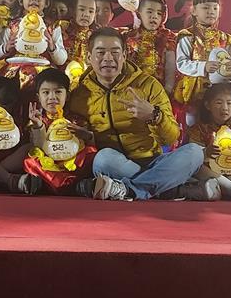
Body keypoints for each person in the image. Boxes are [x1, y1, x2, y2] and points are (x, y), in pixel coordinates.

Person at [67, 28, 216, 201]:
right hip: (117, 164)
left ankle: (128, 190)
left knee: (194, 152)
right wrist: (88, 137)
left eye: (115, 52)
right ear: (89, 57)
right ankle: (168, 188)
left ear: (124, 55)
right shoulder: (80, 95)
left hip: (153, 160)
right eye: (100, 52)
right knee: (102, 159)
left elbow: (171, 138)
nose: (108, 58)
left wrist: (154, 116)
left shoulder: (148, 85)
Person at [23, 68, 98, 194]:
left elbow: (90, 144)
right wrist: (38, 126)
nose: (52, 97)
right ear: (38, 97)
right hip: (50, 165)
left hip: (73, 164)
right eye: (46, 92)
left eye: (58, 92)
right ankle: (76, 187)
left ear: (67, 95)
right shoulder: (37, 121)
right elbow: (39, 148)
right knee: (30, 161)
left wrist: (88, 137)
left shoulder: (76, 119)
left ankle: (57, 186)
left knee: (91, 152)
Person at [173, 0, 231, 131]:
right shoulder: (187, 36)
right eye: (206, 8)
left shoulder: (225, 38)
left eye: (215, 8)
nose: (211, 12)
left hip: (218, 92)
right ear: (194, 11)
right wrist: (203, 67)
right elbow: (181, 63)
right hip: (194, 91)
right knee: (193, 125)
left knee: (219, 125)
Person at [0, 0, 68, 92]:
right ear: (20, 0)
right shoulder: (12, 25)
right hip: (14, 71)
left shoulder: (52, 27)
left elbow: (61, 60)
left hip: (43, 73)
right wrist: (6, 48)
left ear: (47, 3)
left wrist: (52, 47)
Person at [123, 0, 177, 95]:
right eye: (150, 12)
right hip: (132, 89)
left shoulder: (168, 38)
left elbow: (170, 67)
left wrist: (168, 89)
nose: (154, 16)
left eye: (159, 13)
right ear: (139, 13)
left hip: (158, 90)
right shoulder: (129, 37)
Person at [60, 0, 98, 67]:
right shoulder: (61, 28)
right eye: (82, 9)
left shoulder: (95, 37)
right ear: (72, 10)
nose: (86, 14)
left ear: (95, 15)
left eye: (91, 11)